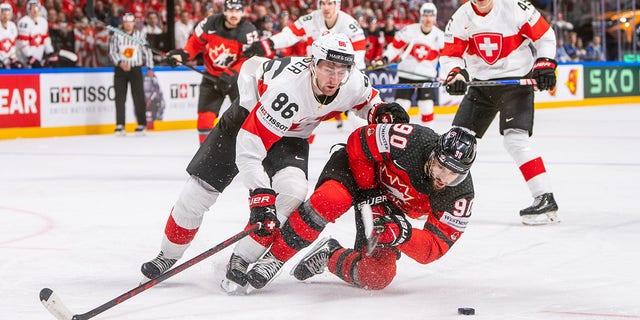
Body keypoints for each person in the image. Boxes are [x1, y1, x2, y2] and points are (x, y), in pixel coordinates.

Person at [139, 32, 410, 294]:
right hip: (247, 120)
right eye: (328, 68)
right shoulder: (288, 92)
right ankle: (167, 254)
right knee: (198, 193)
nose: (335, 77)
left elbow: (366, 99)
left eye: (341, 70)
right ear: (313, 64)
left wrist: (379, 111)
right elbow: (249, 149)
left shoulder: (350, 81)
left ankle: (242, 257)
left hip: (292, 135)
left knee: (292, 192)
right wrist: (259, 193)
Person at [244, 125, 477, 290]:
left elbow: (433, 249)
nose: (444, 178)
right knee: (331, 199)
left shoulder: (460, 195)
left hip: (387, 207)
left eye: (454, 173)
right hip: (357, 172)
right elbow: (359, 141)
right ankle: (274, 258)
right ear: (434, 153)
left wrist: (402, 234)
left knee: (377, 276)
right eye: (441, 166)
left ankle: (329, 254)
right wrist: (369, 190)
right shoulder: (412, 140)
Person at [440, 0, 559, 225]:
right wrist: (455, 73)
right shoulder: (461, 17)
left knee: (516, 140)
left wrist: (545, 63)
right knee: (456, 140)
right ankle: (440, 197)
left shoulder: (516, 6)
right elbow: (451, 54)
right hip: (481, 86)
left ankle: (545, 198)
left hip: (516, 82)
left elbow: (545, 35)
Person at [166, 0, 258, 144]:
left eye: (237, 11)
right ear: (225, 11)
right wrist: (182, 55)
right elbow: (195, 43)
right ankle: (205, 154)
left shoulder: (248, 31)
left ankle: (247, 151)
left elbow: (249, 58)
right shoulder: (210, 23)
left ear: (242, 12)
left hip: (237, 80)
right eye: (231, 11)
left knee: (246, 117)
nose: (234, 15)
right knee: (204, 119)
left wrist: (232, 73)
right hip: (211, 77)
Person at [244, 0, 367, 70]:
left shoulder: (349, 23)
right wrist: (269, 43)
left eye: (330, 3)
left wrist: (352, 70)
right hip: (316, 70)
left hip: (342, 72)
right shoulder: (312, 18)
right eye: (323, 3)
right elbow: (291, 34)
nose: (326, 7)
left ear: (337, 5)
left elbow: (359, 51)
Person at [379, 2, 444, 124]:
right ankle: (396, 135)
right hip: (406, 74)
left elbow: (446, 58)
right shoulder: (408, 30)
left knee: (426, 106)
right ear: (421, 16)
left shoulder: (440, 36)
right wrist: (386, 58)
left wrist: (447, 75)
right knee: (401, 107)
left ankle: (429, 137)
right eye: (425, 15)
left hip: (427, 76)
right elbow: (394, 47)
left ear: (435, 17)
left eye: (430, 16)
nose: (427, 19)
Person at [108, 12, 154, 136]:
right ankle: (120, 125)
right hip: (120, 70)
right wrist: (120, 62)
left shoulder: (140, 35)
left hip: (135, 69)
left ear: (134, 23)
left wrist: (150, 67)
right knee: (120, 97)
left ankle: (141, 124)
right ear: (123, 23)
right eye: (126, 22)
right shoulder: (116, 35)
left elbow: (147, 51)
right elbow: (112, 52)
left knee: (138, 97)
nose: (128, 24)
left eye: (130, 22)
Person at [16, 0, 57, 68]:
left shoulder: (43, 22)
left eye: (37, 8)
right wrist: (30, 57)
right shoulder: (23, 22)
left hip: (38, 56)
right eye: (32, 8)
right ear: (28, 9)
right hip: (24, 60)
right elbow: (23, 43)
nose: (35, 10)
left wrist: (50, 52)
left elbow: (46, 39)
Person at [0, 3, 22, 69]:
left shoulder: (12, 26)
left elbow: (13, 45)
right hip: (1, 59)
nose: (5, 16)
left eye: (7, 14)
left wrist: (12, 58)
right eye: (3, 14)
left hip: (9, 58)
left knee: (19, 66)